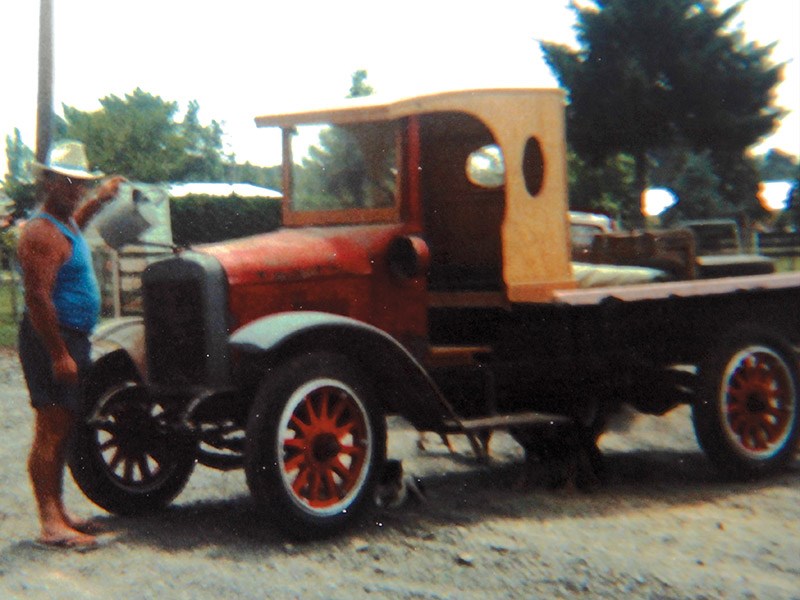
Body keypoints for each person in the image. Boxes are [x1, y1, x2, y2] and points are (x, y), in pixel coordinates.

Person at [17, 140, 124, 549]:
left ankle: (59, 510)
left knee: (62, 428)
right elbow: (37, 298)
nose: (75, 190)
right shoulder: (41, 233)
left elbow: (79, 218)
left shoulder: (66, 224)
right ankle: (49, 522)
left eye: (81, 183)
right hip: (53, 341)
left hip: (71, 338)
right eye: (67, 182)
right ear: (47, 182)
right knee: (50, 429)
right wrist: (60, 353)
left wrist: (102, 199)